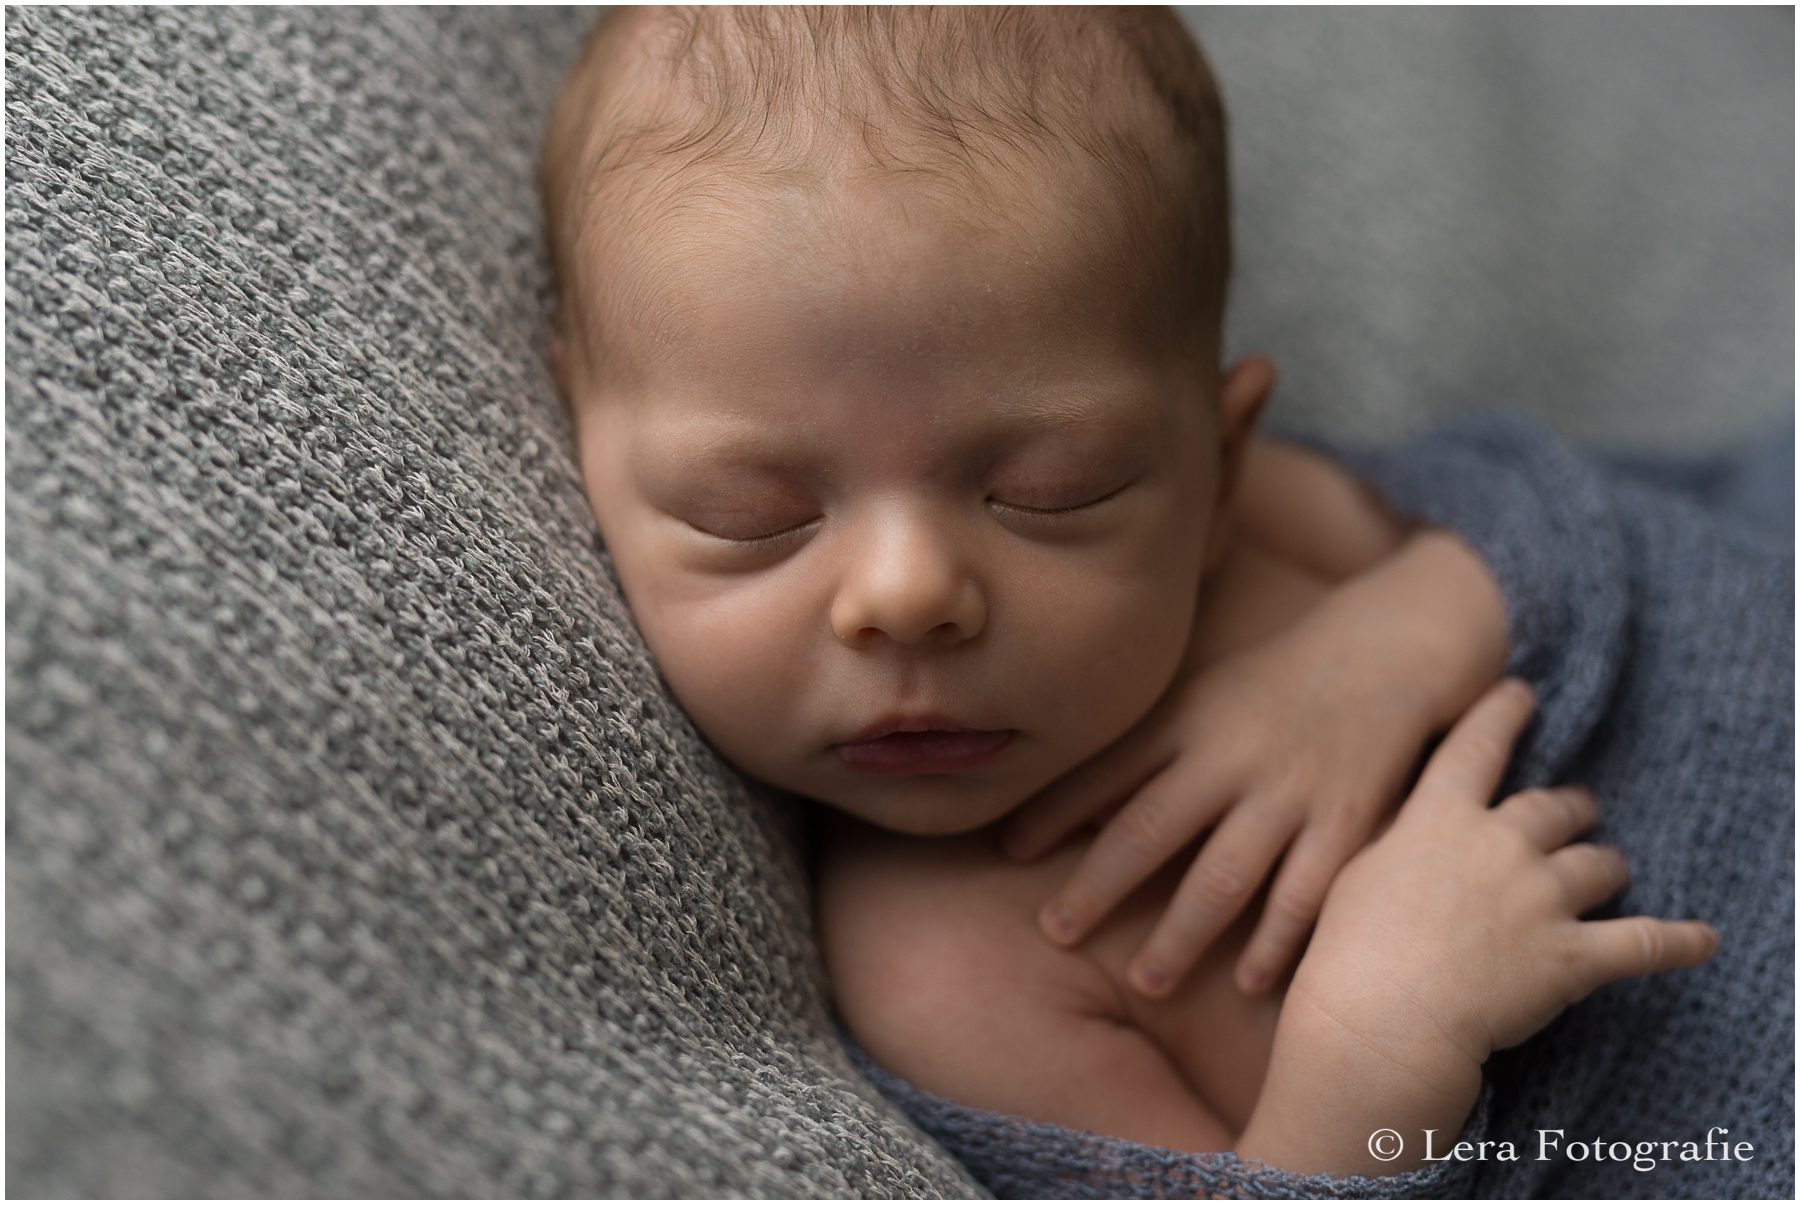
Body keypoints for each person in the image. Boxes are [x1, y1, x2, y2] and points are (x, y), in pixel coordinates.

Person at [537, 7, 1779, 1195]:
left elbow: (1587, 530)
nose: (908, 593)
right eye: (752, 513)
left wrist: (1397, 642)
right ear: (586, 451)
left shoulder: (1235, 518)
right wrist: (1371, 1045)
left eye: (1050, 490)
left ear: (1217, 461)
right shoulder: (942, 962)